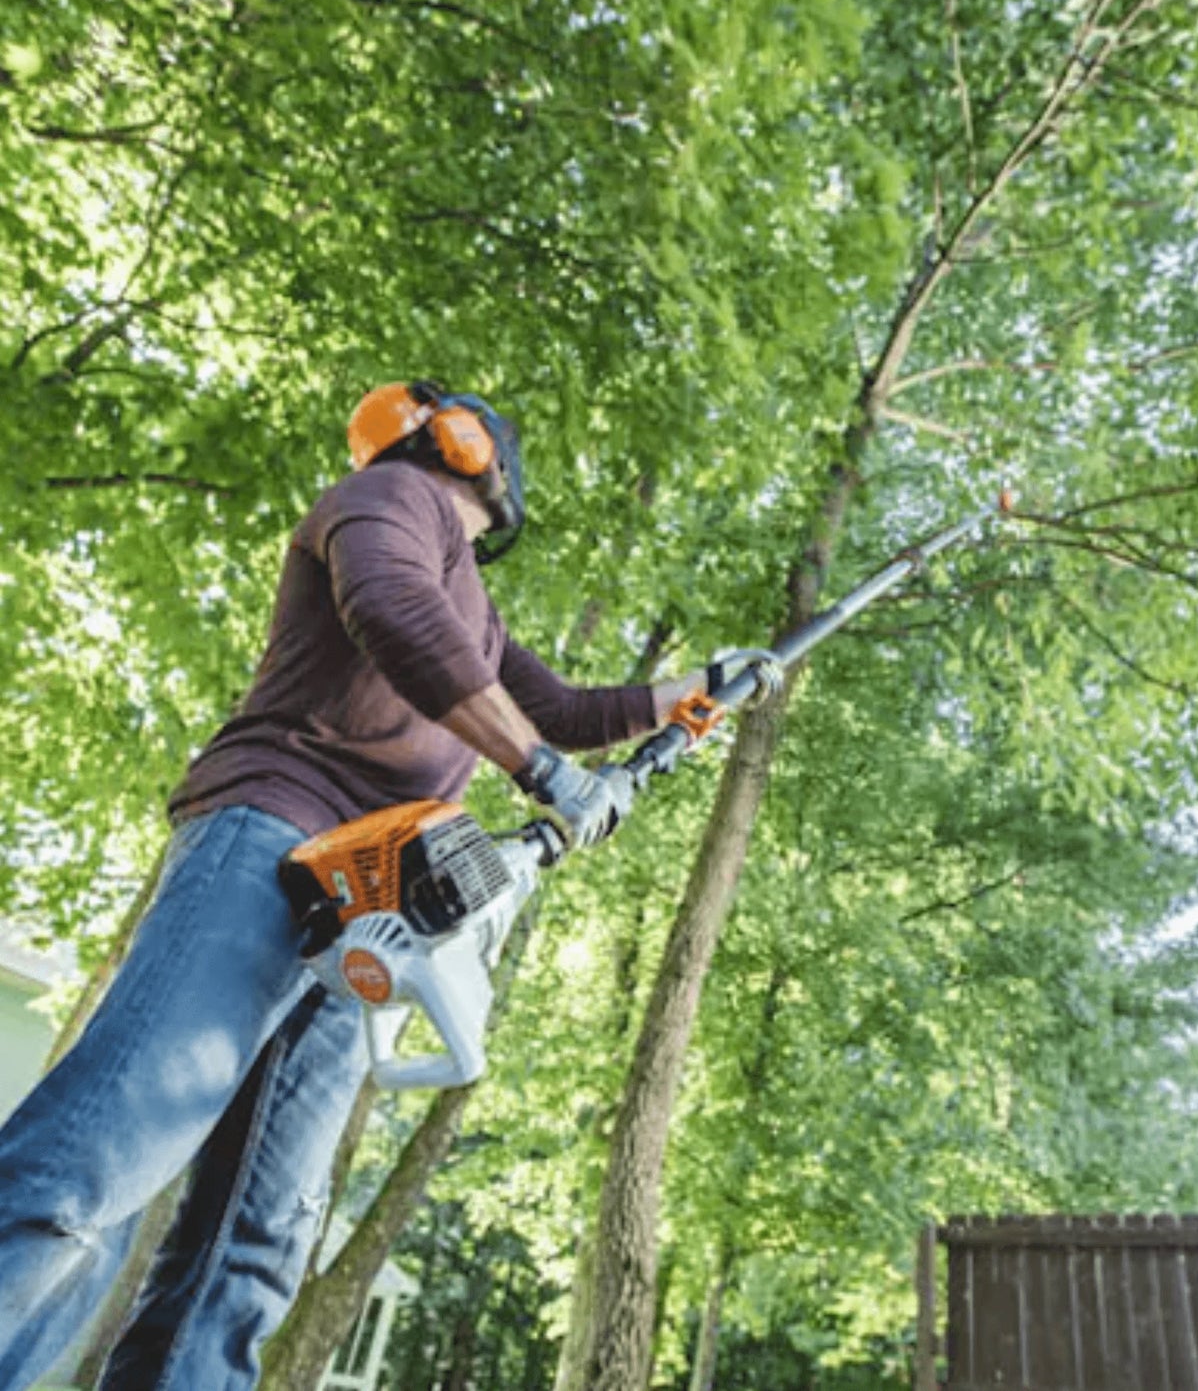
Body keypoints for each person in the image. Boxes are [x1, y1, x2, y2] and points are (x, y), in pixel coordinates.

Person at [0, 381, 780, 1391]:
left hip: (371, 905)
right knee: (102, 1155)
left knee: (256, 1245)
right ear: (459, 439)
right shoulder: (389, 496)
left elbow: (567, 710)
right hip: (275, 838)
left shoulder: (475, 609)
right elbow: (395, 613)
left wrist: (694, 688)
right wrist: (542, 774)